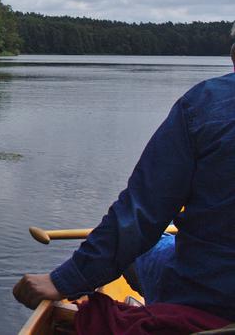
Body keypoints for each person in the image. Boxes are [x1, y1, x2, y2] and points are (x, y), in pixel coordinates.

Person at [13, 28, 235, 323]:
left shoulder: (204, 104)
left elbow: (140, 214)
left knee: (145, 244)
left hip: (210, 296)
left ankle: (146, 299)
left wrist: (65, 279)